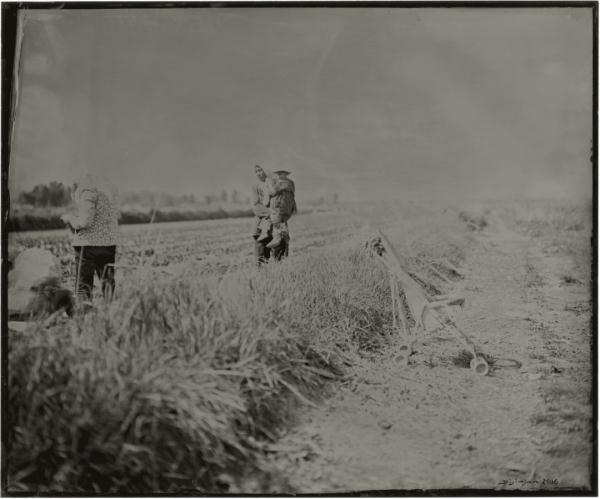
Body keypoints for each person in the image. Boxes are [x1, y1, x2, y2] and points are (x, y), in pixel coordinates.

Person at [61, 172, 119, 302]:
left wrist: (69, 219)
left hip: (88, 246)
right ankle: (112, 315)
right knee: (108, 284)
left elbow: (85, 222)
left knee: (83, 287)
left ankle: (83, 317)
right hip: (108, 244)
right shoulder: (108, 192)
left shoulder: (86, 190)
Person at [251, 165, 291, 264]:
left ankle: (280, 276)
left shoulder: (277, 184)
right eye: (256, 171)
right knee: (261, 259)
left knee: (280, 258)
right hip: (262, 225)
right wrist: (271, 212)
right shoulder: (255, 187)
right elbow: (256, 207)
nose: (259, 173)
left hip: (278, 225)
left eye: (260, 170)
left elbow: (286, 202)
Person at [255, 169, 297, 249]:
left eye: (281, 174)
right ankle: (271, 234)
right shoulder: (289, 183)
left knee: (276, 220)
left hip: (281, 206)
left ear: (285, 174)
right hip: (286, 206)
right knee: (276, 220)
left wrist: (268, 186)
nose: (279, 175)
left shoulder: (284, 183)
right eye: (278, 174)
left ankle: (277, 238)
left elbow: (273, 192)